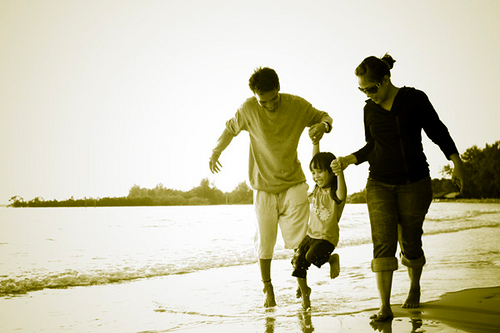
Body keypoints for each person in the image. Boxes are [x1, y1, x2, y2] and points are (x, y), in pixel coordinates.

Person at [331, 54, 466, 321]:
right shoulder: (369, 109)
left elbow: (437, 130)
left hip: (414, 183)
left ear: (385, 79)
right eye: (362, 91)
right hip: (379, 182)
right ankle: (385, 306)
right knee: (382, 243)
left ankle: (414, 286)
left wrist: (456, 163)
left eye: (370, 89)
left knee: (411, 242)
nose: (367, 95)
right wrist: (350, 159)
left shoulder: (414, 99)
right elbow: (373, 146)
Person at [209, 67, 333, 307]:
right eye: (263, 102)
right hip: (263, 187)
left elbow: (324, 116)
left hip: (293, 184)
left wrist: (323, 126)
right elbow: (229, 129)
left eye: (273, 99)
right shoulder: (248, 109)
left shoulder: (297, 105)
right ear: (256, 97)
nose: (270, 106)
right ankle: (268, 288)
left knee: (300, 242)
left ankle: (303, 287)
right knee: (265, 244)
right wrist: (215, 151)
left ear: (279, 88)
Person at [292, 140, 346, 310]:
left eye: (320, 172)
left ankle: (332, 259)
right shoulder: (316, 188)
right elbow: (315, 157)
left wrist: (340, 173)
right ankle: (305, 292)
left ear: (331, 173)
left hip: (326, 238)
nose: (316, 176)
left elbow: (343, 193)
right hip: (311, 235)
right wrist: (316, 142)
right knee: (297, 262)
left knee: (310, 257)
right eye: (313, 172)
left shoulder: (335, 192)